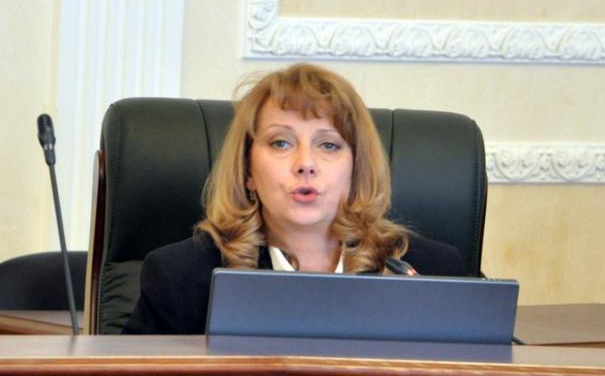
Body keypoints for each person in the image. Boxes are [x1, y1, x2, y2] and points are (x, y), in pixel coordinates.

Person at [122, 63, 465, 334]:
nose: (305, 164)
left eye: (328, 144)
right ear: (248, 170)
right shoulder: (181, 279)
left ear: (356, 168)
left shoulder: (434, 274)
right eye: (281, 143)